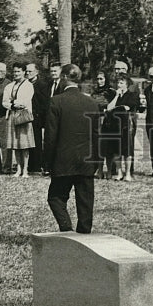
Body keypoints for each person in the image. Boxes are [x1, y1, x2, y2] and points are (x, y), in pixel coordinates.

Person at [44, 63, 101, 234]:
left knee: (55, 197)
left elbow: (50, 137)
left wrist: (46, 163)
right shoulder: (91, 103)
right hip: (87, 160)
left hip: (63, 160)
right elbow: (97, 135)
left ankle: (66, 229)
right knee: (85, 200)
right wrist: (97, 161)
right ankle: (84, 233)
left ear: (64, 78)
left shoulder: (56, 102)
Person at [103, 74, 140, 181]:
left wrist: (119, 107)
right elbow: (109, 108)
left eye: (121, 83)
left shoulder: (132, 94)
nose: (119, 85)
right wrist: (116, 97)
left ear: (127, 85)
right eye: (118, 83)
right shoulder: (114, 95)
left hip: (127, 125)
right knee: (116, 150)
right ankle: (119, 172)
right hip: (115, 125)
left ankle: (128, 173)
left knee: (127, 149)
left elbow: (128, 107)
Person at [3, 61, 35, 178]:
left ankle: (25, 170)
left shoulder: (28, 85)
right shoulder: (9, 86)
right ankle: (18, 168)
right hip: (12, 115)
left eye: (18, 71)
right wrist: (12, 104)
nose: (16, 73)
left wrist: (14, 102)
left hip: (23, 116)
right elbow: (4, 102)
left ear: (23, 72)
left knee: (24, 144)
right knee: (15, 144)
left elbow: (25, 101)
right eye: (14, 71)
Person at [112, 61, 140, 175]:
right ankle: (115, 169)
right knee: (115, 144)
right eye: (115, 69)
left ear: (126, 69)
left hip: (129, 119)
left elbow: (135, 104)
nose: (117, 71)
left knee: (128, 145)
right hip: (116, 119)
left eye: (120, 69)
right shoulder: (115, 84)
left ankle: (129, 170)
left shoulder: (133, 85)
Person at [25, 62, 49, 173]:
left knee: (37, 142)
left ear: (36, 72)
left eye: (30, 71)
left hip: (37, 117)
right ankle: (28, 164)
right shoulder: (25, 84)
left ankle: (37, 165)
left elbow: (44, 103)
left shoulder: (42, 85)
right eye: (27, 71)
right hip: (26, 116)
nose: (28, 73)